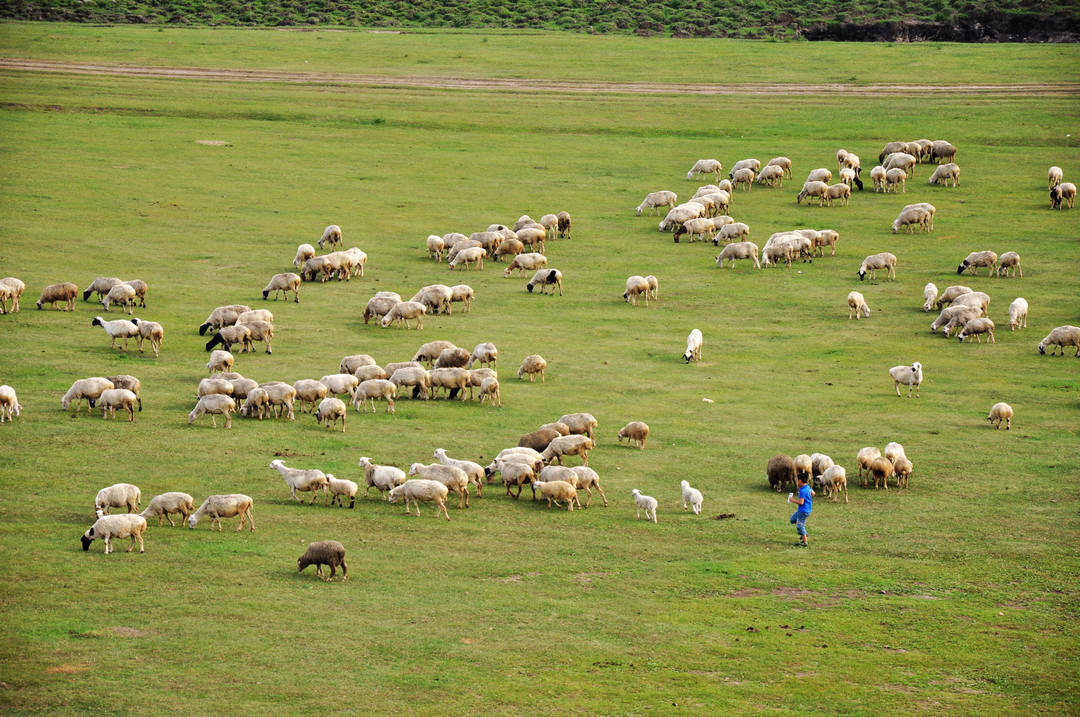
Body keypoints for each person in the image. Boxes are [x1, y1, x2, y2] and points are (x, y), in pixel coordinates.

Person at [787, 475, 814, 547]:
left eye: (797, 480)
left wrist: (792, 500)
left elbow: (801, 502)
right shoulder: (807, 487)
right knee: (792, 519)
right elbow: (813, 493)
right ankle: (804, 534)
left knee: (799, 526)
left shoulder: (802, 490)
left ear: (800, 481)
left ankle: (804, 542)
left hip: (803, 511)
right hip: (805, 509)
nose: (796, 482)